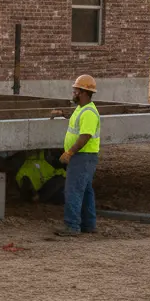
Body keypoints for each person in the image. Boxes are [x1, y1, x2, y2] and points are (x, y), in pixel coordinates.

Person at [52, 74, 101, 236]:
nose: (73, 93)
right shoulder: (81, 109)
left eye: (76, 91)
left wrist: (70, 152)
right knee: (85, 190)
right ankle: (89, 224)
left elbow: (85, 136)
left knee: (73, 190)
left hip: (82, 157)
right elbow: (77, 124)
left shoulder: (88, 113)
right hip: (85, 158)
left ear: (84, 92)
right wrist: (62, 113)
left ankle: (72, 226)